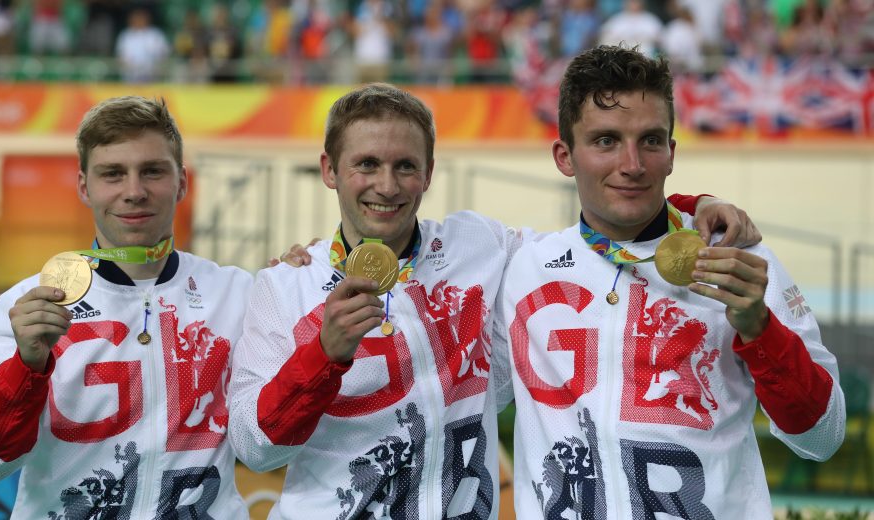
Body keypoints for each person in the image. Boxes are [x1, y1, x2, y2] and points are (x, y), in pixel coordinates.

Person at [228, 82, 760, 519]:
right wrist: (323, 354)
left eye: (405, 167)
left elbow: (598, 237)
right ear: (330, 171)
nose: (387, 186)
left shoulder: (478, 246)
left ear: (429, 174)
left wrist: (696, 204)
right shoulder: (284, 287)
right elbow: (256, 448)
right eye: (366, 164)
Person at [494, 45, 845, 519]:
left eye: (651, 141)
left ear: (671, 153)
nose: (633, 164)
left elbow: (822, 438)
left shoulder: (739, 262)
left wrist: (760, 331)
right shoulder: (521, 265)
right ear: (564, 156)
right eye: (605, 141)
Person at [0, 96, 253, 519]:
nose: (134, 192)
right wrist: (26, 368)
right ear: (85, 186)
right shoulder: (28, 306)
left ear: (182, 182)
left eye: (152, 171)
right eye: (112, 174)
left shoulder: (237, 292)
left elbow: (268, 445)